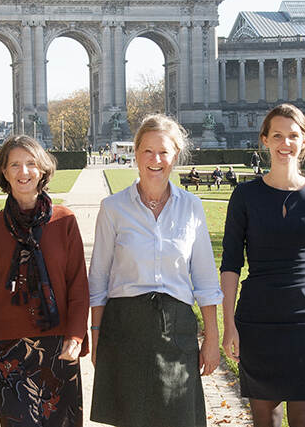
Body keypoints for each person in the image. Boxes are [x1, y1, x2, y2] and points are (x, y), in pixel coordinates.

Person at [220, 103, 305, 427]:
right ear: (265, 140)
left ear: (304, 140)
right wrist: (229, 324)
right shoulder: (244, 196)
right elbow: (230, 265)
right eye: (278, 135)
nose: (286, 143)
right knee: (265, 421)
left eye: (293, 136)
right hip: (257, 321)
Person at [89, 114, 223, 427]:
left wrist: (212, 337)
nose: (155, 159)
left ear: (175, 156)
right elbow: (98, 280)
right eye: (147, 151)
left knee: (178, 419)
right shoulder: (113, 208)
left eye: (163, 151)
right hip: (125, 329)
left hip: (176, 328)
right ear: (134, 154)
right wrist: (97, 337)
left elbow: (204, 278)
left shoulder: (191, 207)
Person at [0, 135, 89, 426]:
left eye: (30, 164)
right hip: (5, 350)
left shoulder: (64, 221)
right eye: (15, 164)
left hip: (57, 343)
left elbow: (77, 285)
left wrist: (76, 336)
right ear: (4, 171)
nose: (23, 172)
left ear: (42, 170)